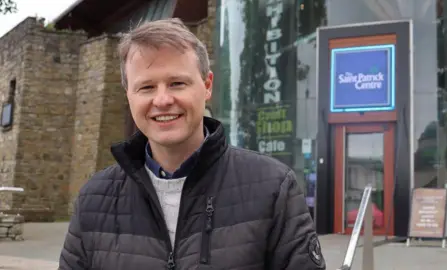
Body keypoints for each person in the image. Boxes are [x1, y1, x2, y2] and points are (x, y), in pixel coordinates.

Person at [59, 18, 326, 270]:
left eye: (177, 83)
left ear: (207, 85)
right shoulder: (93, 199)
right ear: (128, 94)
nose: (162, 100)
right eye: (147, 87)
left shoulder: (275, 189)